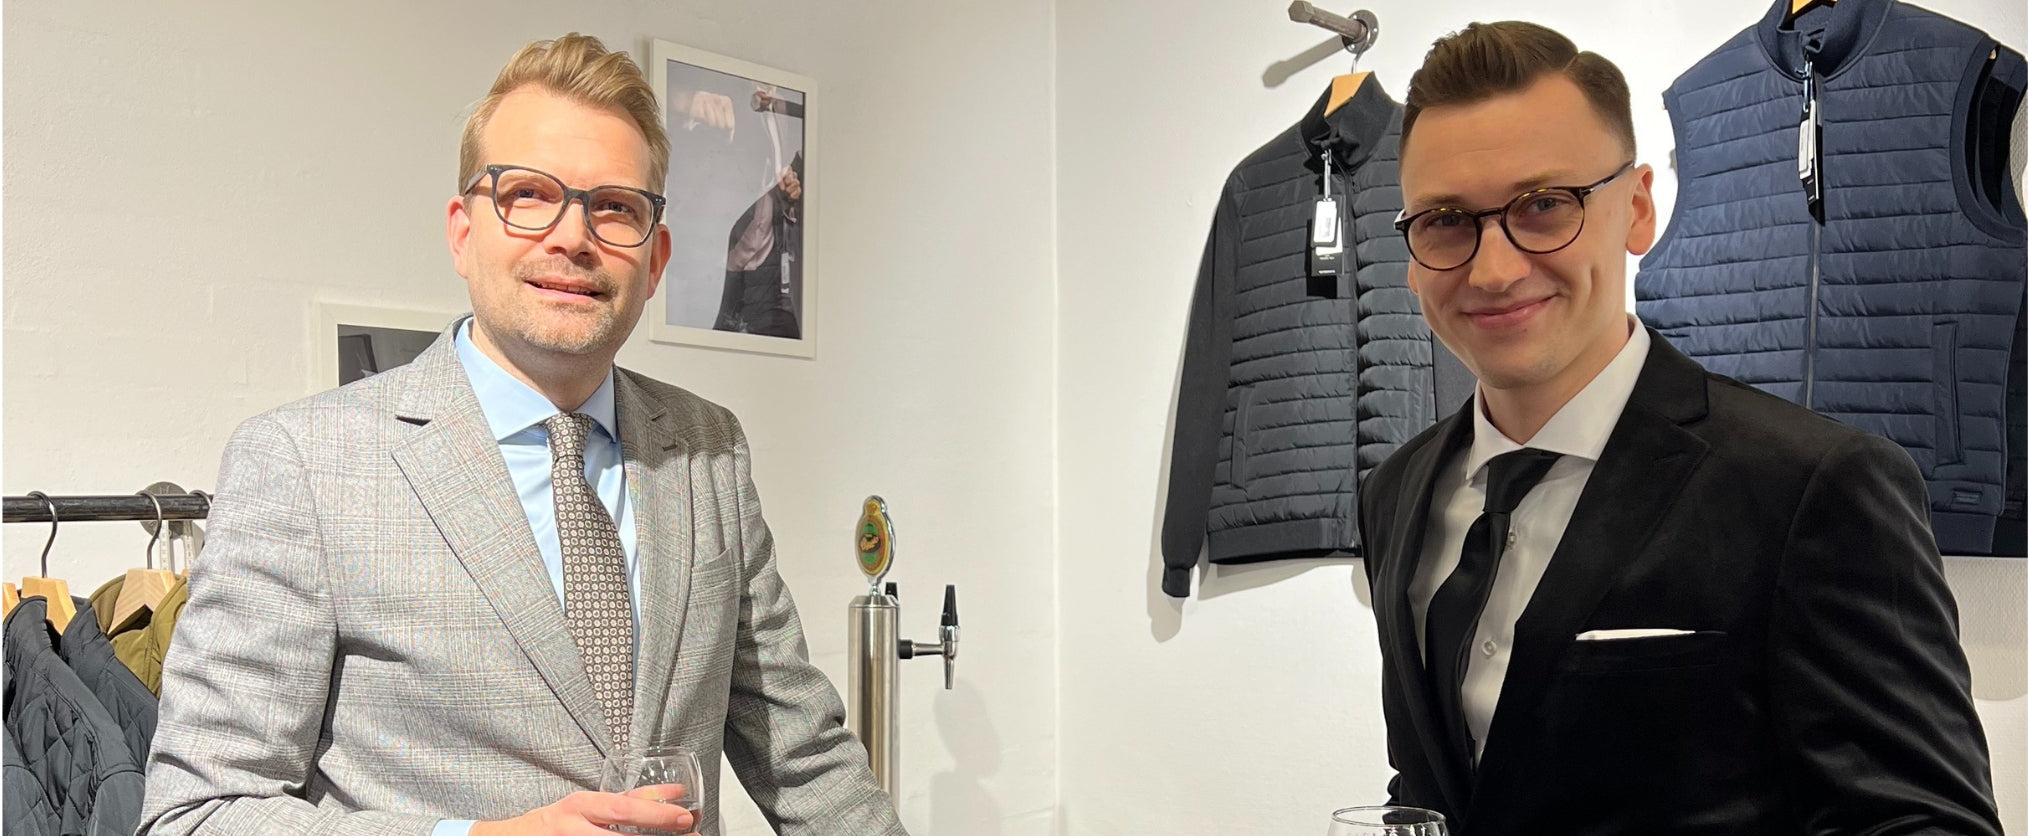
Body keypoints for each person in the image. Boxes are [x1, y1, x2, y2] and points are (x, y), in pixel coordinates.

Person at [137, 33, 904, 836]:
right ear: (463, 232)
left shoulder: (708, 449)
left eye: (615, 207)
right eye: (529, 194)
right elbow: (196, 814)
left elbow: (805, 756)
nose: (573, 237)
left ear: (656, 259)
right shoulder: (305, 466)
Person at [1357, 21, 2001, 834]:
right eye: (1446, 220)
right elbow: (1442, 783)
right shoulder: (1396, 493)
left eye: (1544, 206)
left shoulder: (1810, 487)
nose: (1493, 269)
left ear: (1635, 210)